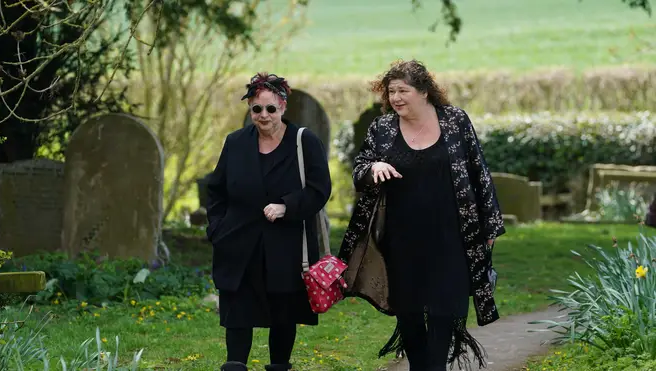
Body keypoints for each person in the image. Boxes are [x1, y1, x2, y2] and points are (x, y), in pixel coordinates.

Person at [338, 60, 505, 371]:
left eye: (404, 91)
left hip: (451, 235)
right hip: (401, 238)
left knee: (445, 309)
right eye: (391, 92)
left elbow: (478, 171)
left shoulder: (455, 121)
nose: (396, 98)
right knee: (409, 311)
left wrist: (490, 224)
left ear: (425, 92)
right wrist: (373, 168)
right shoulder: (383, 128)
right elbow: (360, 167)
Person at [205, 72, 332, 371]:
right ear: (250, 110)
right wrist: (217, 229)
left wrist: (286, 206)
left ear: (283, 108)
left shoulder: (304, 142)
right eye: (256, 109)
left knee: (283, 314)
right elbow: (216, 190)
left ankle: (279, 366)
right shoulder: (235, 142)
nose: (263, 115)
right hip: (238, 243)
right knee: (237, 314)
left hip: (285, 245)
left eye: (270, 109)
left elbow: (319, 190)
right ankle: (235, 366)